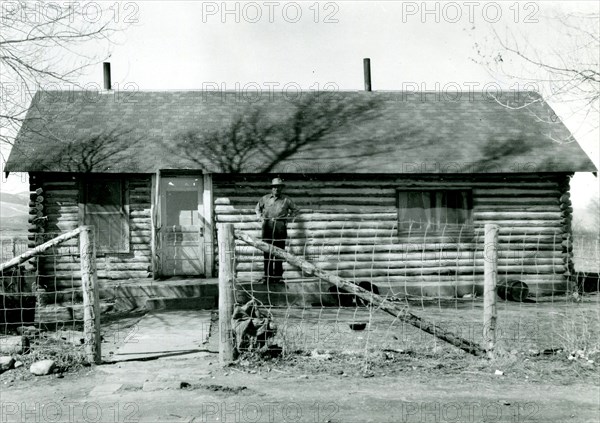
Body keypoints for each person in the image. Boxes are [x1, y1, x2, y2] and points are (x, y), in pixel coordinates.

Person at [255, 178, 299, 283]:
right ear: (272, 188)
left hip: (280, 226)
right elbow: (257, 208)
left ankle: (278, 277)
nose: (276, 189)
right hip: (267, 226)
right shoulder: (265, 198)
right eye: (274, 187)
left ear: (281, 188)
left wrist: (288, 218)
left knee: (279, 251)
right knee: (267, 251)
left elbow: (296, 210)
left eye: (279, 187)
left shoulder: (286, 199)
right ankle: (268, 276)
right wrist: (260, 217)